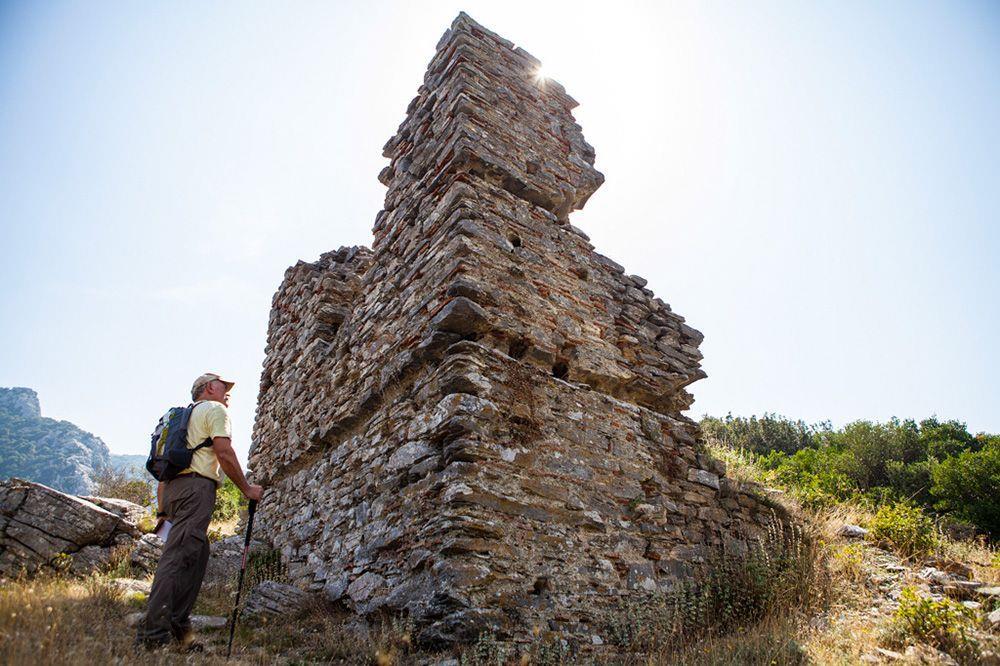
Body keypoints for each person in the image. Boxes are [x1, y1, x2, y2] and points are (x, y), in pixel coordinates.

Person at [137, 372, 264, 651]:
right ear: (209, 388)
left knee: (197, 555)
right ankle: (153, 635)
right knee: (178, 558)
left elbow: (163, 472)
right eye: (223, 386)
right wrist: (246, 489)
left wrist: (162, 511)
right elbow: (224, 452)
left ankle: (179, 631)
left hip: (174, 490)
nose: (228, 392)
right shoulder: (214, 409)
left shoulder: (183, 418)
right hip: (196, 489)